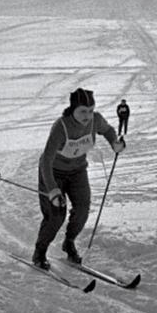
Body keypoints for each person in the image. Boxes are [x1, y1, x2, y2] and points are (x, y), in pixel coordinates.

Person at [32, 88, 125, 270]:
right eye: (82, 111)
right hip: (53, 172)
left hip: (77, 171)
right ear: (73, 109)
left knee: (82, 209)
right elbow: (47, 160)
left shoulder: (95, 120)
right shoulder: (61, 127)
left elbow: (107, 130)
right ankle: (39, 252)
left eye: (90, 110)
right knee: (56, 215)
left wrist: (114, 143)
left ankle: (69, 242)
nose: (87, 116)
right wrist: (52, 189)